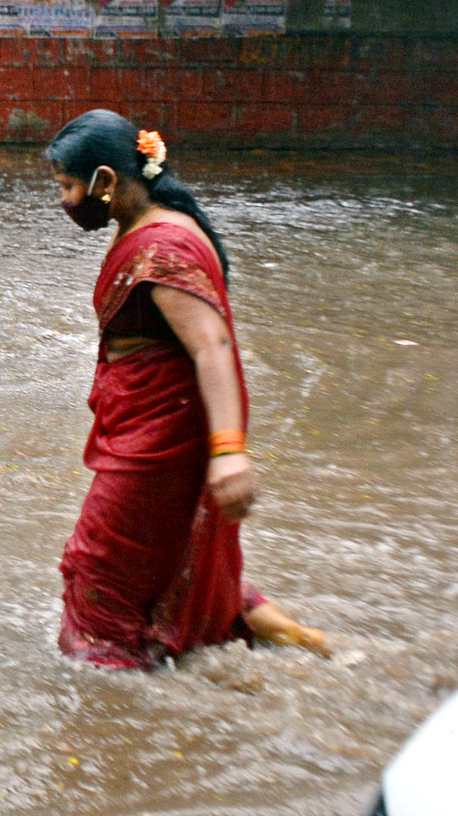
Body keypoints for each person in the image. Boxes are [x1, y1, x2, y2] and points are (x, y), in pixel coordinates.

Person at [46, 109, 327, 670]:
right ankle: (300, 643)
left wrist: (229, 453)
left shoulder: (161, 247)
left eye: (68, 186)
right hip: (150, 424)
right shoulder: (151, 225)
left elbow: (213, 348)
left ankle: (110, 702)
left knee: (99, 571)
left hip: (160, 440)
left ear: (106, 181)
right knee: (170, 558)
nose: (65, 199)